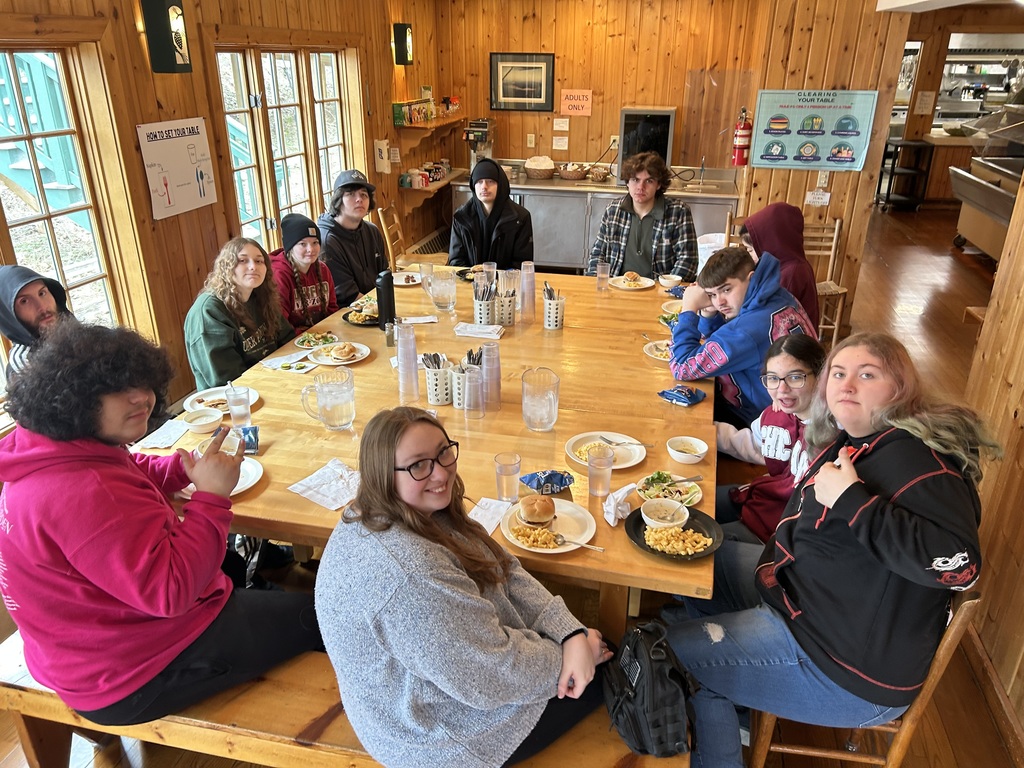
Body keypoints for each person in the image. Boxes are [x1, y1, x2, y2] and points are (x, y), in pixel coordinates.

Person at [663, 332, 1000, 768]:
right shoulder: (859, 440)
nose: (847, 385)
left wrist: (853, 502)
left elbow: (961, 568)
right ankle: (736, 692)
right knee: (704, 554)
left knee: (673, 655)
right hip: (806, 601)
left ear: (900, 388)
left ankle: (718, 684)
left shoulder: (924, 467)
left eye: (867, 374)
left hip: (842, 664)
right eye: (839, 373)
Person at [0, 322, 322, 725]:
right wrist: (211, 498)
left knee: (246, 582)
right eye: (116, 390)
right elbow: (171, 592)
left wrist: (177, 470)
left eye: (144, 383)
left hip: (76, 648)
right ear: (73, 398)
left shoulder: (48, 450)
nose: (142, 398)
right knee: (326, 613)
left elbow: (125, 466)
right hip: (131, 675)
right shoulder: (85, 493)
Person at [315, 407, 612, 768]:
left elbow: (502, 566)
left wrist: (568, 632)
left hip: (442, 685)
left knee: (595, 647)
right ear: (383, 474)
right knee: (613, 665)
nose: (440, 472)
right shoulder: (411, 577)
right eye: (418, 465)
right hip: (440, 739)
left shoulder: (404, 508)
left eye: (443, 452)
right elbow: (488, 676)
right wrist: (569, 657)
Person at [670, 246, 817, 428]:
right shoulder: (778, 296)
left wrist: (688, 309)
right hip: (800, 414)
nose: (719, 301)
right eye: (712, 295)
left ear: (751, 277)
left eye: (726, 290)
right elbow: (730, 342)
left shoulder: (748, 329)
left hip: (764, 422)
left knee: (676, 418)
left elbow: (682, 367)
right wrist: (709, 314)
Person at [715, 334, 826, 543]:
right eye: (773, 378)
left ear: (820, 377)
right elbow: (756, 444)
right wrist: (707, 431)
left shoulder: (835, 432)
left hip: (782, 532)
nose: (781, 390)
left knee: (703, 543)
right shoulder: (777, 415)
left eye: (795, 377)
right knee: (687, 501)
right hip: (763, 501)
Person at [184, 237, 294, 389]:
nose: (253, 267)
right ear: (227, 267)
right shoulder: (209, 311)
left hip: (275, 381)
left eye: (259, 261)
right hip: (232, 400)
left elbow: (288, 340)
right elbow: (227, 379)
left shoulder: (261, 297)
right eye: (243, 260)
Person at [586, 151, 697, 280]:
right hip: (616, 287)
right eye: (635, 180)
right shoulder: (613, 210)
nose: (640, 187)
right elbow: (598, 253)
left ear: (659, 185)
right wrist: (596, 281)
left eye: (649, 181)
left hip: (660, 291)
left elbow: (688, 261)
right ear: (627, 182)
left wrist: (666, 288)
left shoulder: (679, 212)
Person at [316, 169, 388, 308]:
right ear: (338, 200)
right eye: (350, 194)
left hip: (374, 304)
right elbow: (348, 295)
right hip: (346, 312)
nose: (359, 199)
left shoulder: (372, 230)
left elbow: (384, 275)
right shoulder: (327, 241)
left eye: (363, 194)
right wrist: (384, 307)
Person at [739, 202, 820, 325]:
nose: (750, 256)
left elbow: (766, 316)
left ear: (771, 244)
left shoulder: (791, 273)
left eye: (750, 250)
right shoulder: (789, 264)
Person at [448, 159, 533, 271]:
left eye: (490, 181)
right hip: (470, 282)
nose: (484, 187)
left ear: (500, 184)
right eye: (479, 182)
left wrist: (497, 278)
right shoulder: (461, 217)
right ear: (473, 185)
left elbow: (522, 264)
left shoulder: (520, 217)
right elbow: (456, 261)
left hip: (506, 283)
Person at [270, 212, 339, 333]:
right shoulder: (279, 275)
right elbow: (282, 327)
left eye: (315, 243)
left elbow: (332, 310)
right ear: (290, 247)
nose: (310, 249)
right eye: (303, 244)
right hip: (294, 342)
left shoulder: (323, 269)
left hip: (325, 337)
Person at [0, 265, 72, 379]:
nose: (42, 307)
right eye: (24, 301)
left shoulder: (72, 331)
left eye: (42, 293)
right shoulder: (25, 367)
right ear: (9, 315)